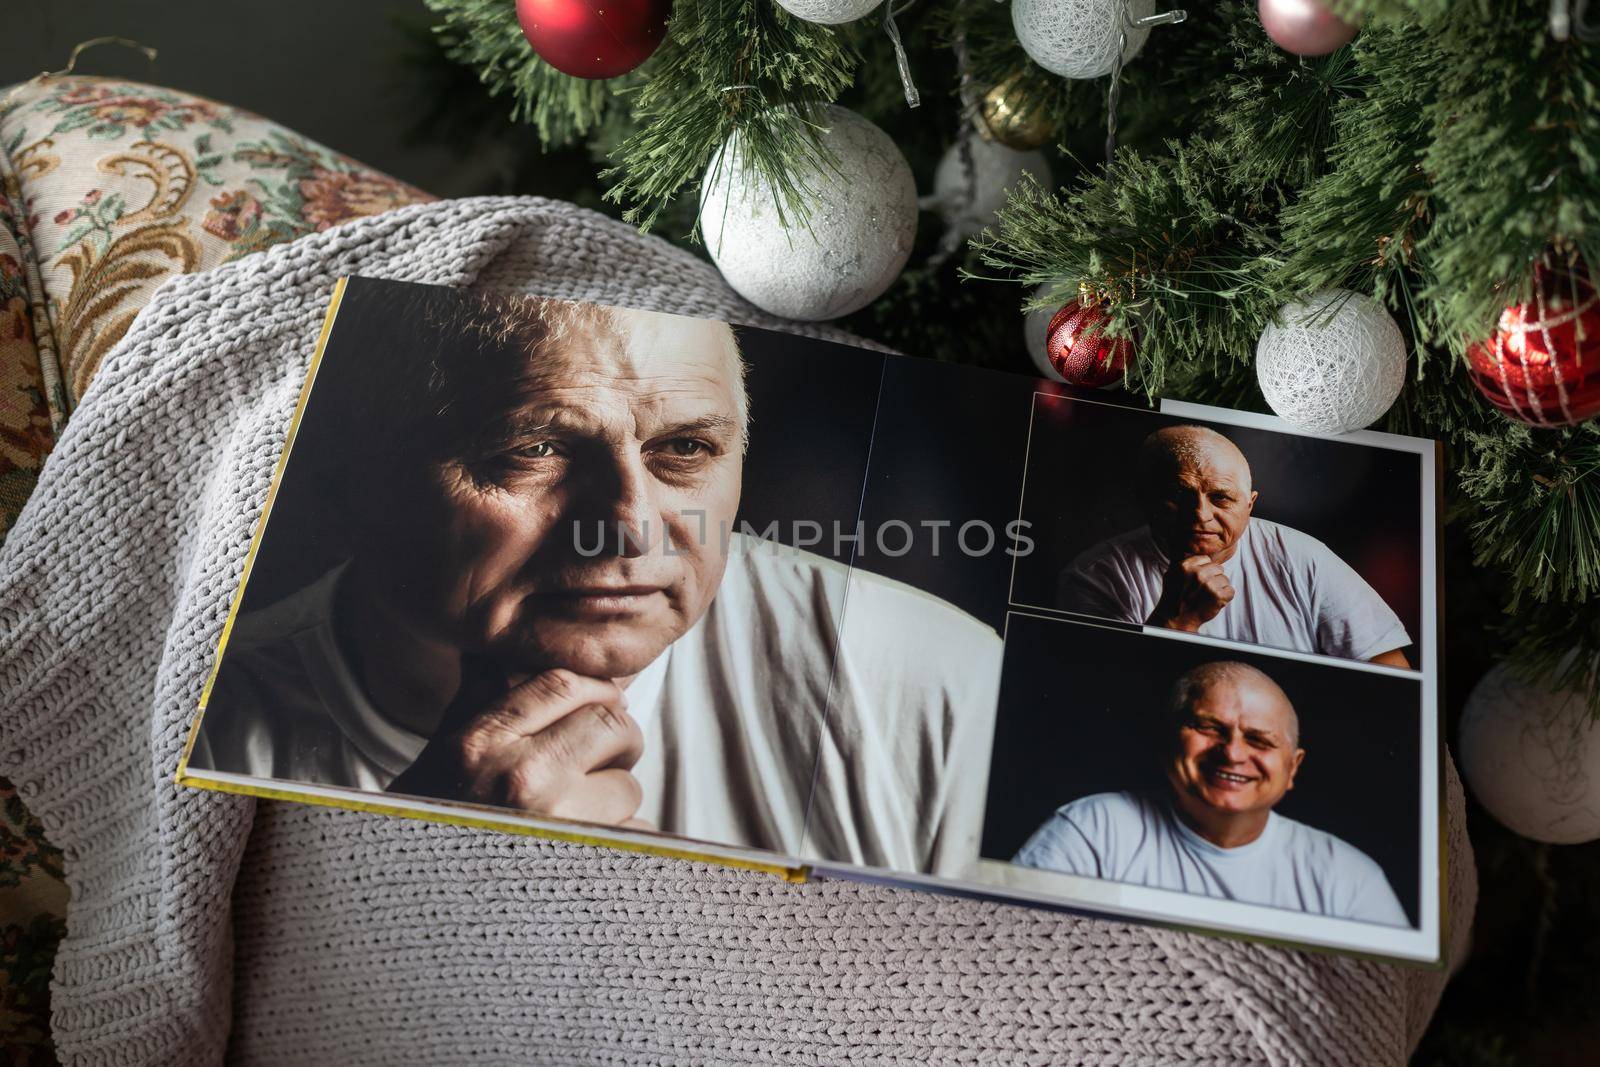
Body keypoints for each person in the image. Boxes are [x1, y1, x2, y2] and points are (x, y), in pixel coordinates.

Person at [187, 279, 1002, 876]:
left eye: (683, 449)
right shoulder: (216, 734)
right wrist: (428, 872)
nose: (630, 524)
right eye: (533, 448)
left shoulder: (939, 686)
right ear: (366, 473)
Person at [1012, 661, 1409, 926]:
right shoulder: (1092, 829)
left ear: (1293, 768)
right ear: (1170, 739)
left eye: (1259, 740)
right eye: (1209, 728)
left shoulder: (1351, 880)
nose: (1233, 753)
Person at [1056, 424, 1412, 667]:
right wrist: (1175, 622)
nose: (1201, 515)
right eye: (1179, 496)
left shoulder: (1302, 558)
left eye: (1221, 498)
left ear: (1250, 505)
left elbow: (1391, 672)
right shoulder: (1093, 578)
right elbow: (1102, 699)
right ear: (1144, 499)